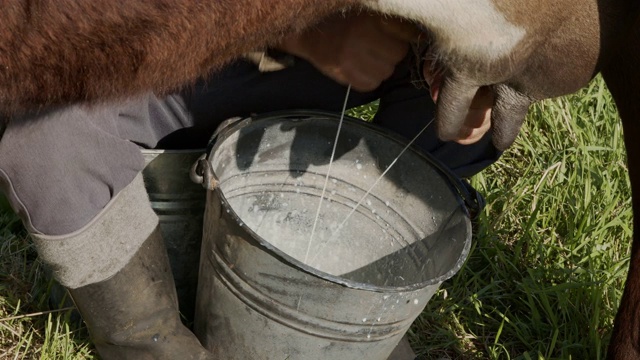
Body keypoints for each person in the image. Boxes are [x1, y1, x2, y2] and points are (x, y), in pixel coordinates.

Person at [0, 10, 497, 360]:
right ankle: (149, 342)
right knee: (44, 141)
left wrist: (455, 55)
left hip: (356, 54)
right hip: (169, 61)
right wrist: (301, 32)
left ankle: (357, 288)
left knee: (492, 81)